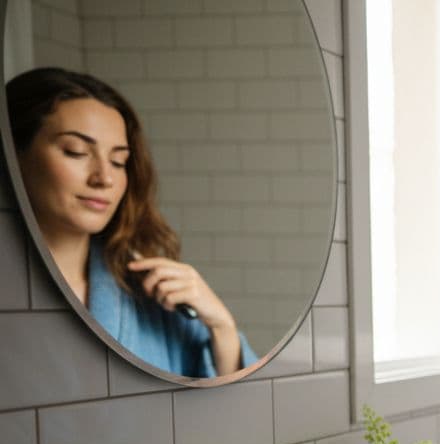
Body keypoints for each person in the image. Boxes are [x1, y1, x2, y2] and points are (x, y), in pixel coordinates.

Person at [7, 67, 256, 378]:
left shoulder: (154, 300)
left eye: (118, 161)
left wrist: (222, 327)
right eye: (76, 152)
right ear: (14, 155)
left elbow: (231, 406)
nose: (104, 178)